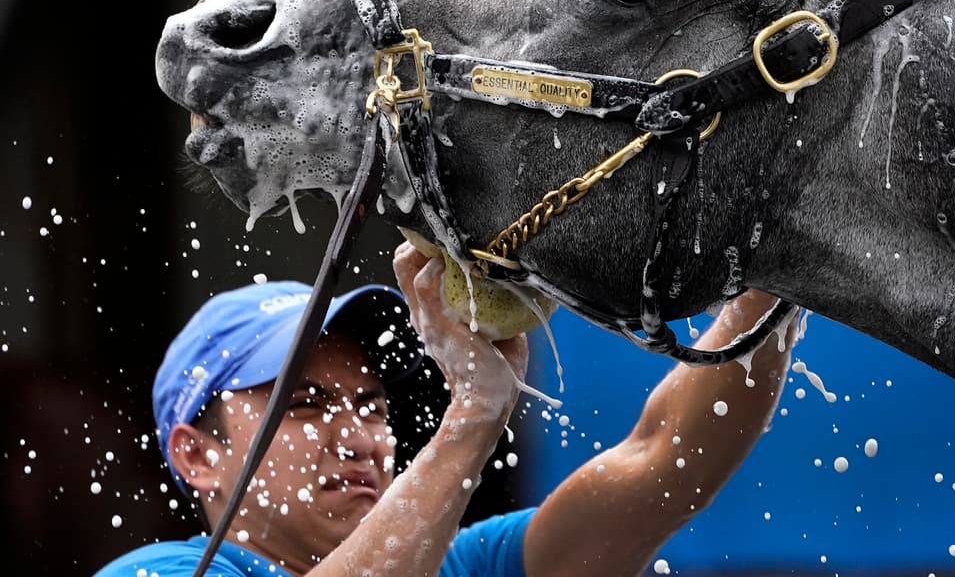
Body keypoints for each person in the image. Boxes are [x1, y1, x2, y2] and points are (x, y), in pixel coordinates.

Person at [94, 243, 798, 576]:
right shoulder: (151, 575)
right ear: (197, 455)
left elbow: (663, 460)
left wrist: (776, 273)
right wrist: (474, 417)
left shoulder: (464, 565)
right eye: (304, 404)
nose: (356, 435)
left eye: (370, 405)